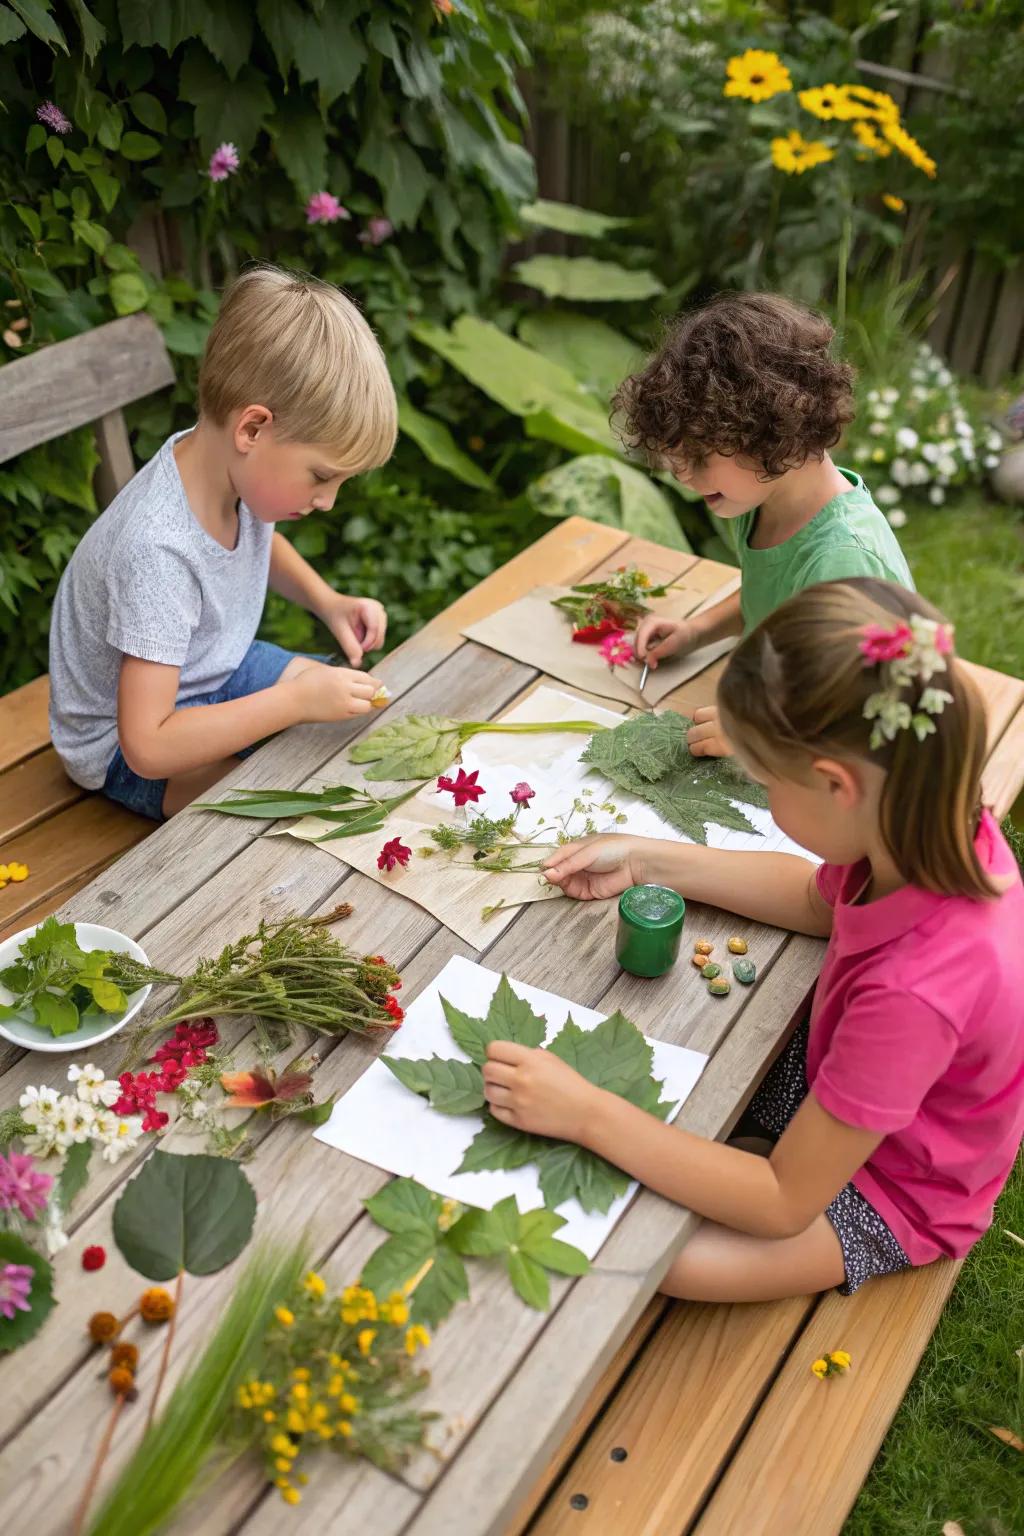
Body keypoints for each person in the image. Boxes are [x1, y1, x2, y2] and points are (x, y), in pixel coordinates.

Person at [482, 580, 1024, 1303]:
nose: (763, 796)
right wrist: (649, 858)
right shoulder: (920, 827)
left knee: (649, 1261)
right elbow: (812, 899)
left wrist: (586, 1113)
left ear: (837, 785)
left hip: (900, 1186)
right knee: (682, 1141)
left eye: (765, 780)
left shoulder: (917, 991)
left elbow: (779, 1200)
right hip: (845, 1075)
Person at [49, 263, 397, 820]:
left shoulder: (227, 468)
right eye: (322, 476)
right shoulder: (157, 551)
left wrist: (326, 600)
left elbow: (249, 543)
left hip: (211, 666)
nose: (328, 501)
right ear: (252, 429)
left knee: (358, 703)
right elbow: (149, 747)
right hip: (126, 741)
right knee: (276, 806)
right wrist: (291, 702)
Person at [615, 291, 913, 757]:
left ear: (775, 432)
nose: (684, 475)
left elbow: (873, 705)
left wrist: (758, 733)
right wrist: (698, 631)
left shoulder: (846, 559)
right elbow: (771, 597)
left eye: (698, 456)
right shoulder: (762, 498)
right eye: (677, 460)